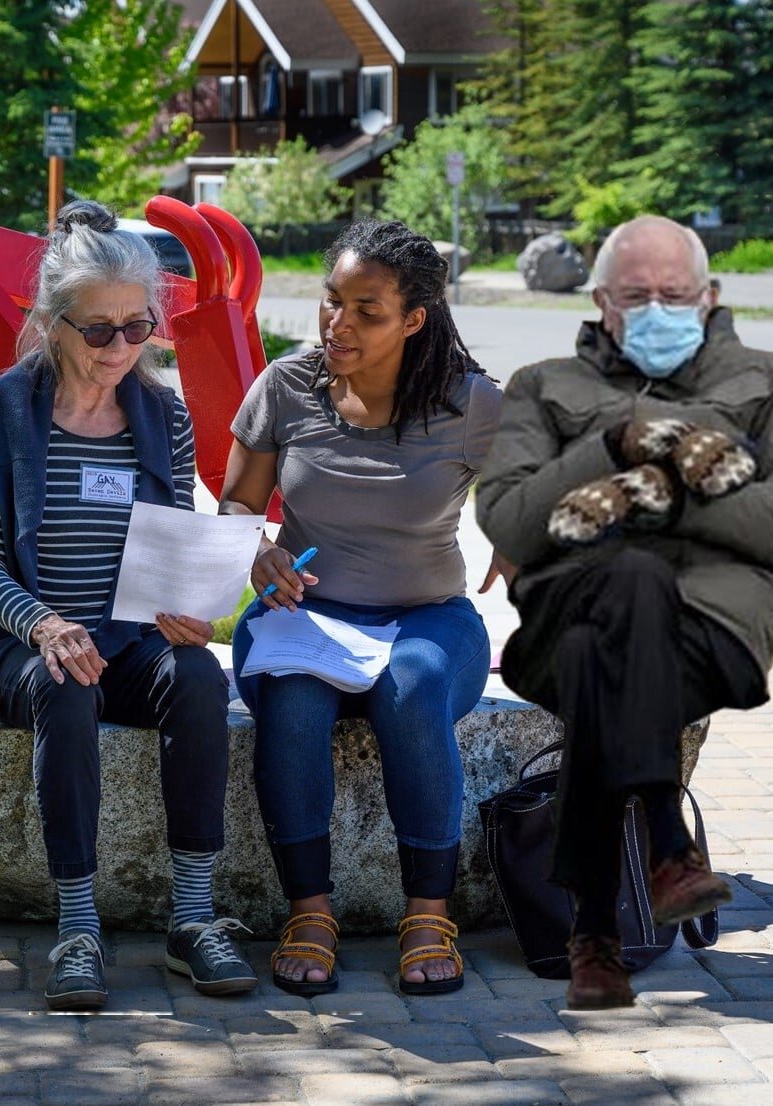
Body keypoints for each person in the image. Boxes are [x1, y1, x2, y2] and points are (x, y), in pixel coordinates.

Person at [0, 200, 256, 1011]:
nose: (119, 349)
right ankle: (78, 925)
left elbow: (172, 534)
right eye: (98, 330)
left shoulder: (162, 415)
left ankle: (191, 916)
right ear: (52, 321)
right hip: (22, 643)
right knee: (67, 684)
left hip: (127, 638)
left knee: (201, 677)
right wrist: (42, 623)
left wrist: (183, 604)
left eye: (137, 328)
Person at [476, 214, 771, 1010]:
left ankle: (594, 934)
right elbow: (506, 523)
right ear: (601, 301)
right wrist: (610, 445)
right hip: (559, 613)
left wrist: (648, 495)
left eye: (672, 293)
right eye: (634, 295)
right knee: (621, 595)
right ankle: (665, 849)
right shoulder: (541, 385)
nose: (656, 308)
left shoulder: (762, 381)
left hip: (715, 632)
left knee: (600, 647)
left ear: (708, 295)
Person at [218, 220, 502, 997]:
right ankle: (309, 911)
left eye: (365, 310)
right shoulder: (285, 386)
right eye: (330, 301)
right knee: (293, 703)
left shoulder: (469, 402)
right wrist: (258, 554)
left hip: (427, 617)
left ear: (413, 319)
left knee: (409, 685)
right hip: (303, 617)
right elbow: (237, 508)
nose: (337, 323)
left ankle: (427, 913)